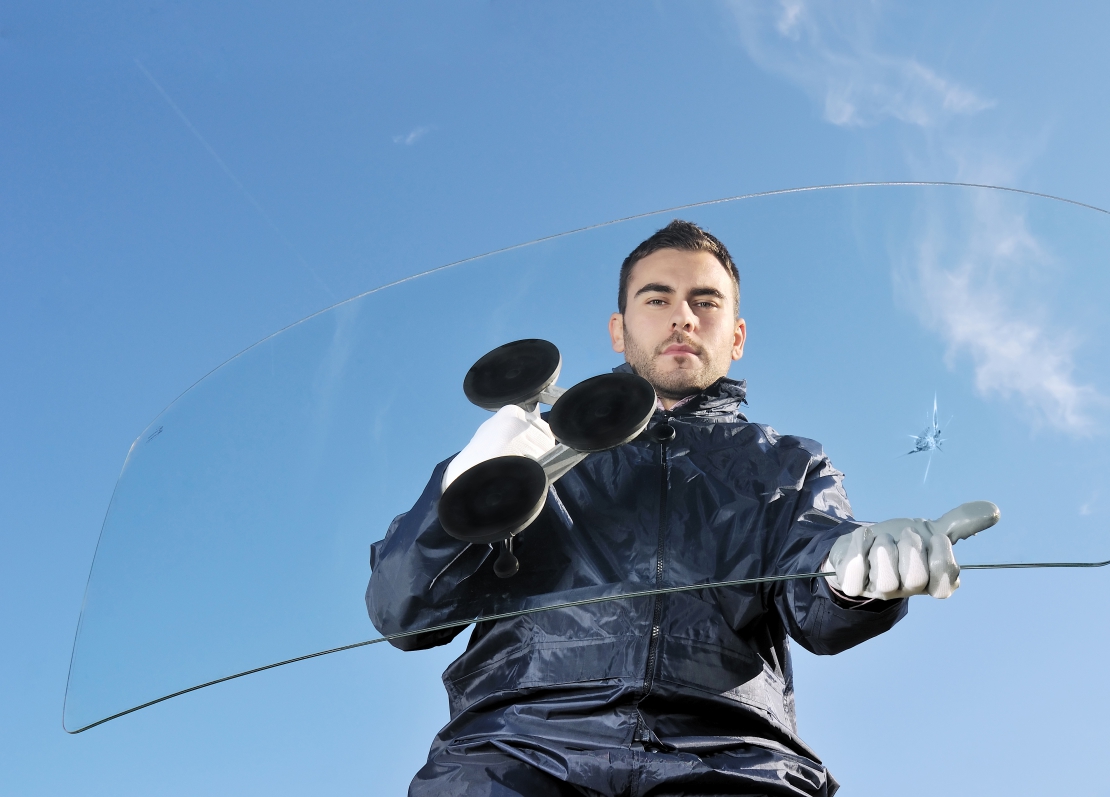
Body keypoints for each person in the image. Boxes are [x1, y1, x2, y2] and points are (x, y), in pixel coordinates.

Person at [366, 220, 998, 796]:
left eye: (706, 301)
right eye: (657, 298)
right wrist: (459, 492)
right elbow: (403, 612)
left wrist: (863, 575)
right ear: (619, 329)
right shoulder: (523, 450)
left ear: (737, 335)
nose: (683, 318)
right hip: (514, 748)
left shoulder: (788, 466)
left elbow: (819, 601)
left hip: (729, 757)